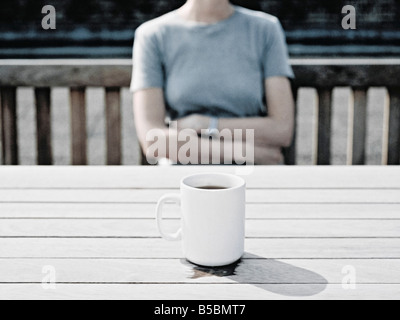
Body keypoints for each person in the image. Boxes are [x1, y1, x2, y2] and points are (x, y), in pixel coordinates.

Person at [131, 0, 295, 165]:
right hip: (183, 173)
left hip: (250, 175)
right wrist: (245, 152)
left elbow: (281, 129)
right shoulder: (152, 35)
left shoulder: (265, 29)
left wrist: (205, 124)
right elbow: (152, 140)